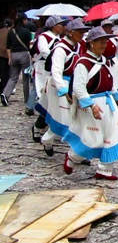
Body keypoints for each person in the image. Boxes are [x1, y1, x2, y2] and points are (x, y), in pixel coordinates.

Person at [62, 26, 118, 180]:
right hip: (92, 104)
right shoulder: (83, 63)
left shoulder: (103, 61)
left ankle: (105, 169)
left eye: (105, 41)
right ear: (91, 43)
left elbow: (110, 84)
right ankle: (72, 157)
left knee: (113, 133)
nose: (104, 45)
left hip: (108, 102)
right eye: (100, 42)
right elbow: (78, 88)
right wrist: (91, 106)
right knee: (92, 138)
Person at [37, 18, 90, 156]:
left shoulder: (77, 46)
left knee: (75, 118)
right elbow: (56, 72)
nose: (83, 35)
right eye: (80, 32)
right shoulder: (61, 49)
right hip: (60, 86)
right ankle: (48, 140)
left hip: (72, 85)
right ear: (71, 33)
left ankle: (78, 152)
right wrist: (63, 89)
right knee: (63, 119)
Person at [1, 14, 35, 108]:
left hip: (13, 55)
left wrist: (9, 58)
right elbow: (29, 45)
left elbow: (8, 46)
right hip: (24, 55)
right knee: (25, 78)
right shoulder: (27, 31)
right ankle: (27, 99)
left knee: (13, 77)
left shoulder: (11, 31)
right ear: (23, 20)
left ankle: (5, 94)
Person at [32, 16, 68, 103]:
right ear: (53, 26)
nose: (62, 27)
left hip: (53, 65)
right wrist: (54, 58)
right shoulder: (43, 36)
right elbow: (43, 50)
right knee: (41, 86)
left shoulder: (59, 38)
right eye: (60, 24)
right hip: (43, 65)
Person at [101, 20, 118, 97]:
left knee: (117, 80)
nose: (108, 29)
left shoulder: (115, 39)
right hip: (104, 62)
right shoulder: (99, 40)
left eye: (109, 27)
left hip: (114, 62)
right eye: (106, 27)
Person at [0, 19, 10, 94]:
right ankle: (3, 89)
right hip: (6, 55)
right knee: (5, 74)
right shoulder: (10, 32)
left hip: (0, 54)